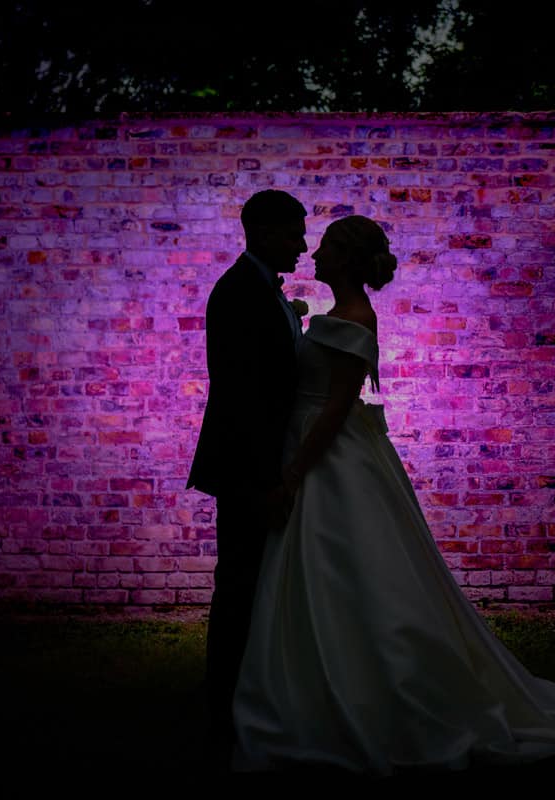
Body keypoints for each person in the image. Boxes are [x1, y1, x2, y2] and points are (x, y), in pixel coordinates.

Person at [230, 214, 555, 775]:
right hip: (320, 447)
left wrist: (294, 472)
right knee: (320, 567)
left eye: (323, 249)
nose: (313, 255)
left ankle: (370, 688)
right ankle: (318, 680)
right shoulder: (332, 316)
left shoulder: (354, 318)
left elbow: (335, 409)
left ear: (343, 259)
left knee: (349, 563)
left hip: (329, 456)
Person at [186, 189, 308, 770]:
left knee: (255, 586)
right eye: (292, 234)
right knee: (237, 587)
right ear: (261, 233)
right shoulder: (238, 293)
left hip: (260, 463)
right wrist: (265, 481)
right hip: (245, 468)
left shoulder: (264, 291)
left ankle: (252, 696)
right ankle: (223, 709)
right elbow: (242, 398)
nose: (302, 246)